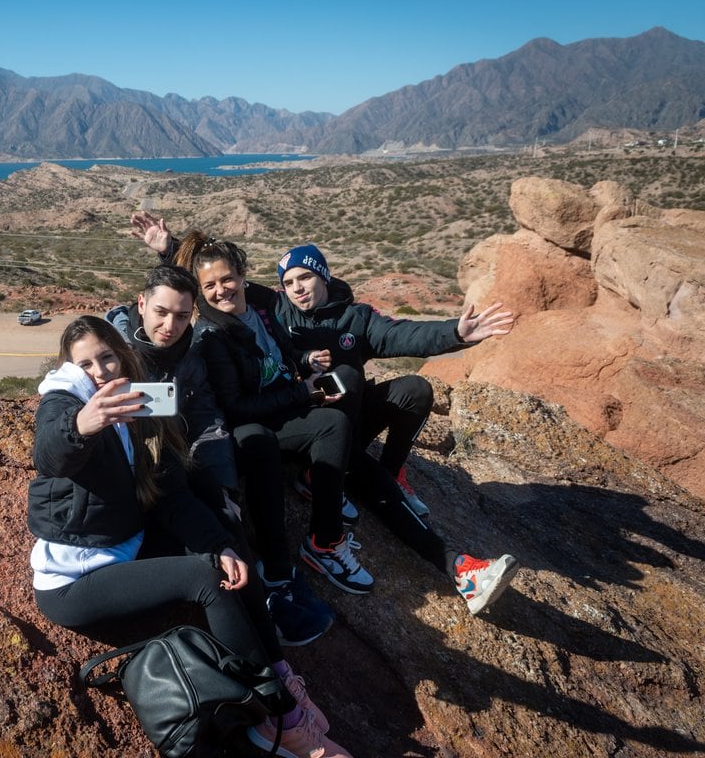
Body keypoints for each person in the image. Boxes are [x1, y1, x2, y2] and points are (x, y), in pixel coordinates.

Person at [28, 315, 350, 758]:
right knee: (203, 578)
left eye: (106, 357)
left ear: (122, 355)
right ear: (68, 370)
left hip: (128, 544)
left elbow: (171, 497)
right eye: (85, 364)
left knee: (226, 541)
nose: (100, 371)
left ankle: (279, 673)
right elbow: (49, 454)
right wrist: (81, 424)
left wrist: (218, 545)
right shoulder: (64, 403)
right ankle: (279, 720)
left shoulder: (140, 406)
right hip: (74, 581)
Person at [134, 214, 373, 597]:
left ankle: (328, 501)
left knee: (346, 390)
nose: (221, 290)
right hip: (249, 420)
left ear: (244, 276)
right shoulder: (211, 337)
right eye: (209, 287)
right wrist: (304, 393)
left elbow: (209, 265)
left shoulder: (261, 307)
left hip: (279, 401)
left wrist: (304, 360)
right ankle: (310, 549)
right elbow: (234, 406)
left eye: (229, 279)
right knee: (276, 437)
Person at [273, 244, 520, 614]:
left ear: (322, 275)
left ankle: (389, 471)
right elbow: (222, 285)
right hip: (310, 429)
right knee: (347, 379)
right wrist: (170, 250)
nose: (297, 288)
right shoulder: (275, 310)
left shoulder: (355, 317)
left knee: (415, 390)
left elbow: (403, 335)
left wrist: (456, 333)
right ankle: (459, 567)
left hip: (346, 427)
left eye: (304, 277)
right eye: (289, 281)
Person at [106, 265, 335, 646]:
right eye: (161, 312)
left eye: (181, 316)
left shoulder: (189, 353)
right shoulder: (115, 351)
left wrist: (220, 478)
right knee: (197, 510)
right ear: (142, 304)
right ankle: (262, 610)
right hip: (132, 465)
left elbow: (206, 416)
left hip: (175, 455)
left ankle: (268, 589)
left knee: (224, 499)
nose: (170, 325)